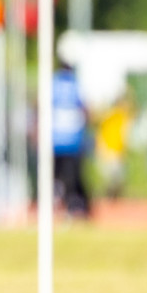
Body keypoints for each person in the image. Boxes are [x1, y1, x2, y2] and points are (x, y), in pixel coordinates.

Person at [52, 58, 91, 218]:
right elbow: (85, 109)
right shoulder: (76, 84)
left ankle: (72, 206)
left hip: (56, 139)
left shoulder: (53, 83)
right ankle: (76, 206)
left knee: (60, 176)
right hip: (73, 139)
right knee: (73, 176)